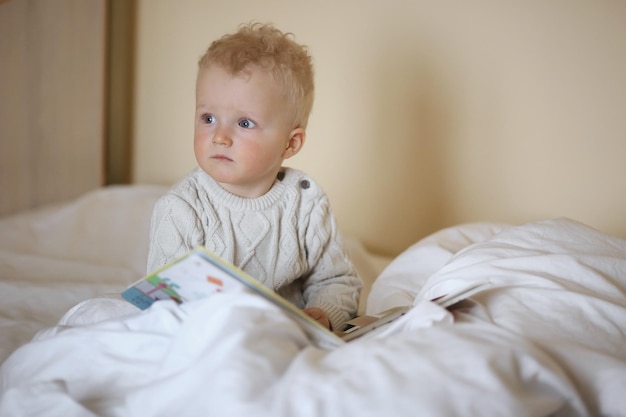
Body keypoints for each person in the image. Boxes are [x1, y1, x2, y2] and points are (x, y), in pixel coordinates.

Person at [146, 22, 361, 331]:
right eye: (208, 118)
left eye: (244, 123)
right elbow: (163, 304)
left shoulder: (306, 202)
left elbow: (337, 280)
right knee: (95, 314)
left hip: (286, 336)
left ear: (290, 143)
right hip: (208, 335)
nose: (219, 136)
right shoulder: (181, 208)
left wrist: (324, 313)